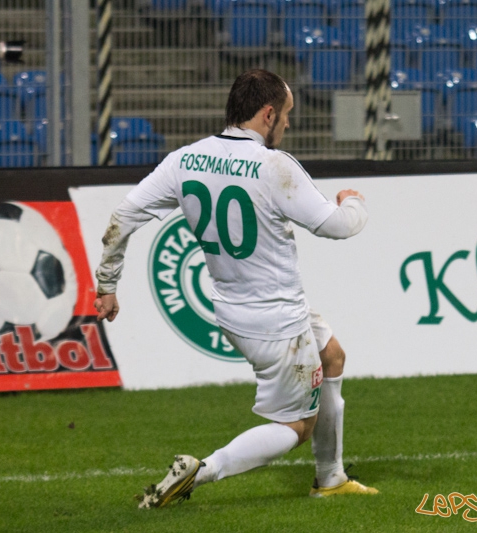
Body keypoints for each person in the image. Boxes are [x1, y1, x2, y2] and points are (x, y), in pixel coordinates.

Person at [93, 69, 377, 508]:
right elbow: (337, 226)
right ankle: (202, 471)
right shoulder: (273, 165)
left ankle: (332, 476)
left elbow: (123, 216)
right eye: (285, 115)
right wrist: (353, 201)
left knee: (332, 354)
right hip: (278, 321)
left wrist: (107, 285)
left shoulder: (185, 159)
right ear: (267, 113)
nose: (287, 124)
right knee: (296, 428)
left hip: (231, 311)